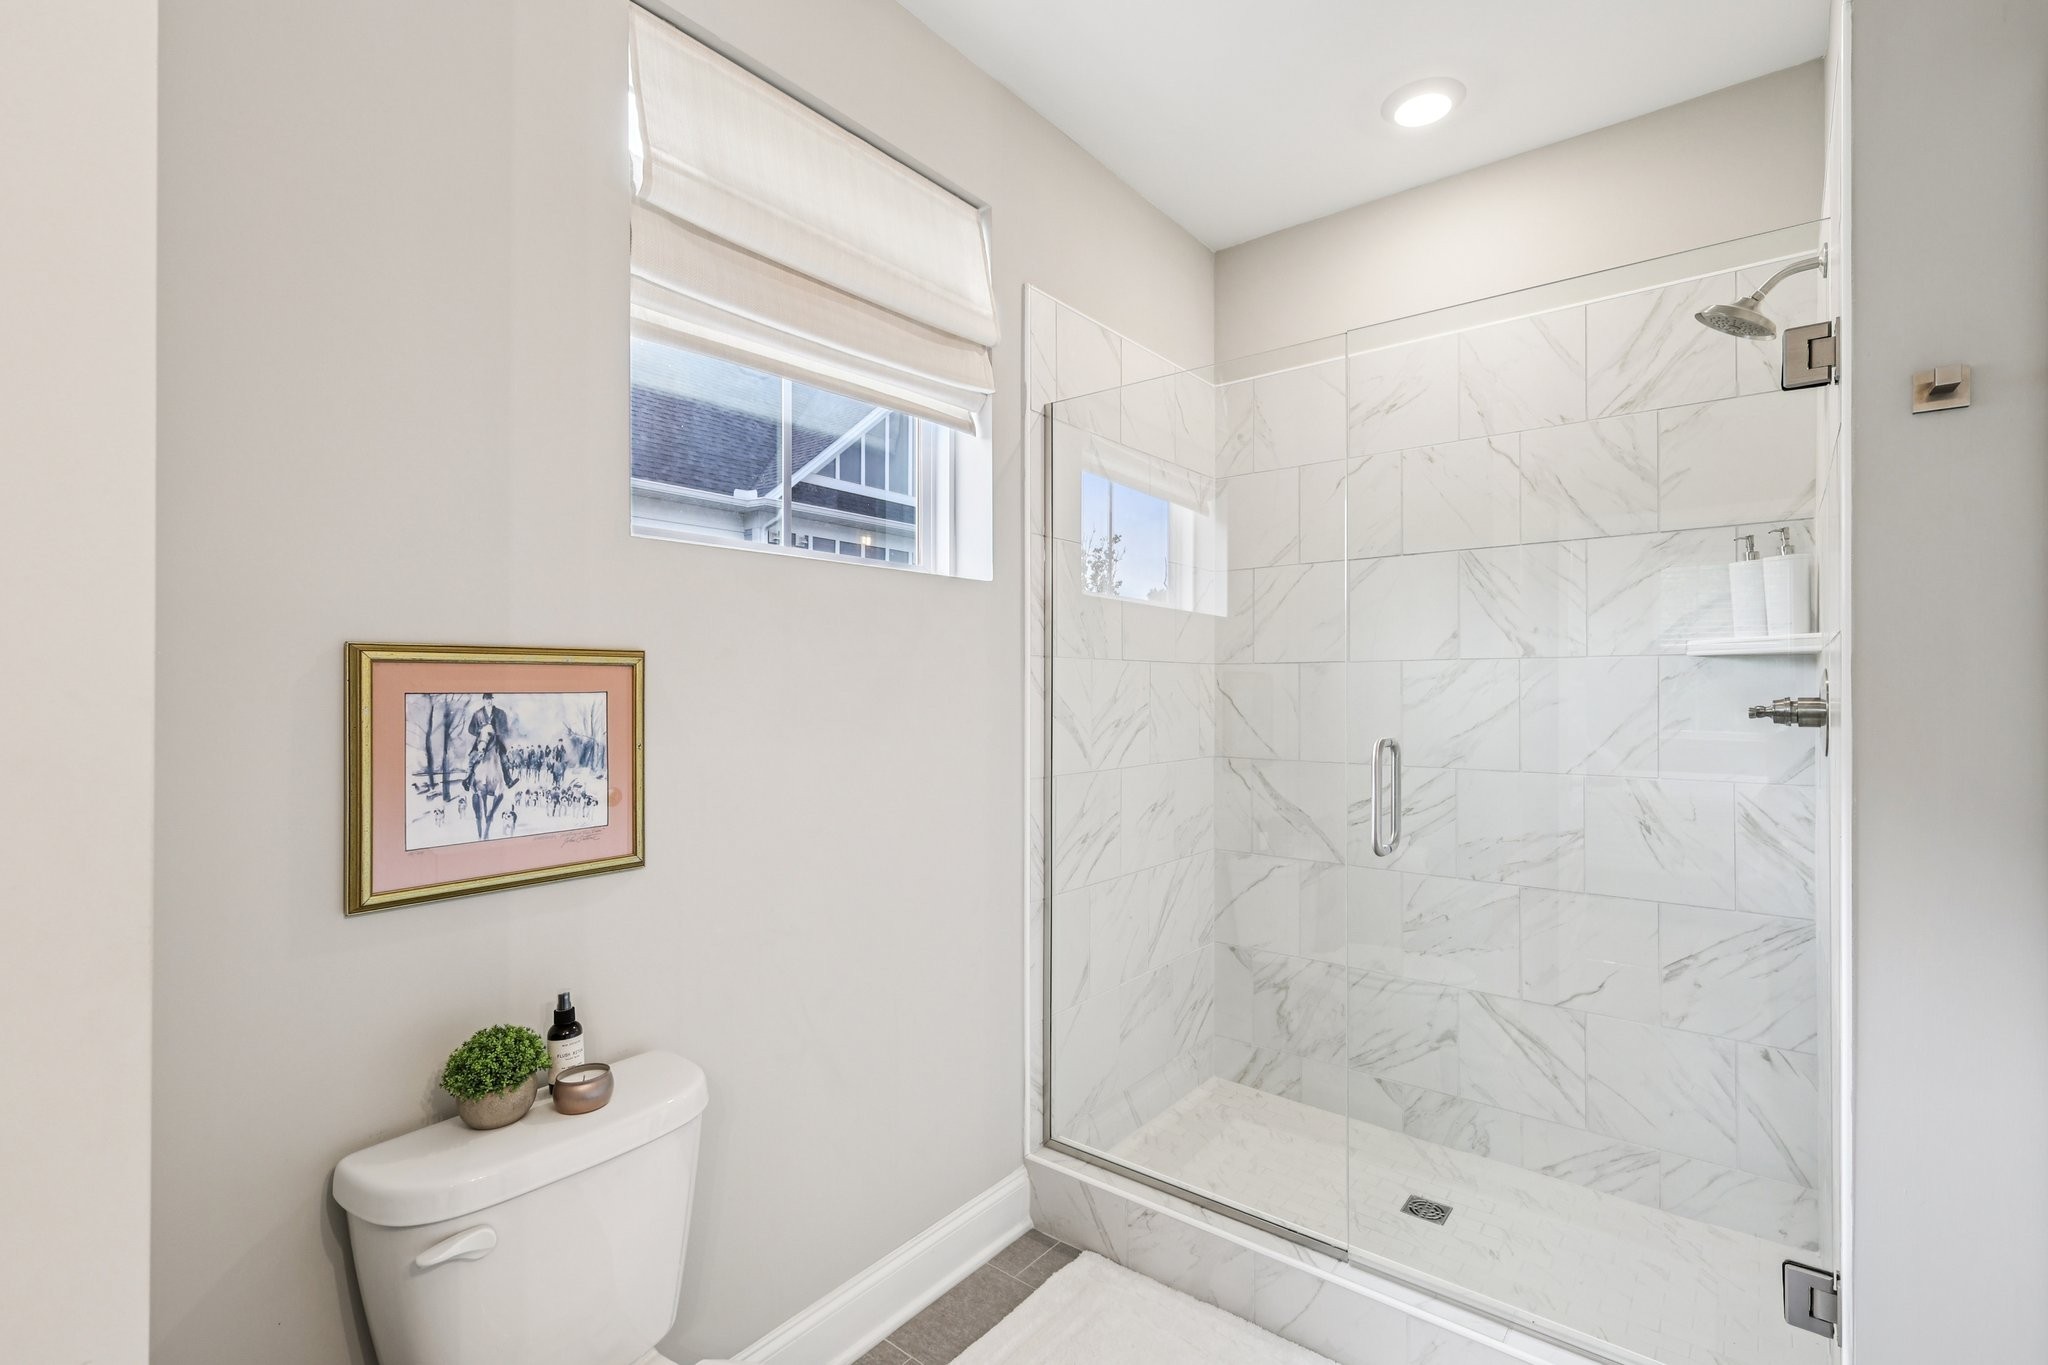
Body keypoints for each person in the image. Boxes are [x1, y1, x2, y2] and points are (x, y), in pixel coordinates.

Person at [464, 693, 518, 792]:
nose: (488, 701)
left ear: (492, 699)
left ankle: (508, 781)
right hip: (482, 741)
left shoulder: (500, 713)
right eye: (486, 699)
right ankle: (467, 780)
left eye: (490, 699)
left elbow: (505, 729)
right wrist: (480, 731)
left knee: (504, 758)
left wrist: (496, 732)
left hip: (496, 741)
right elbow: (470, 729)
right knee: (472, 758)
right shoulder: (478, 714)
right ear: (483, 700)